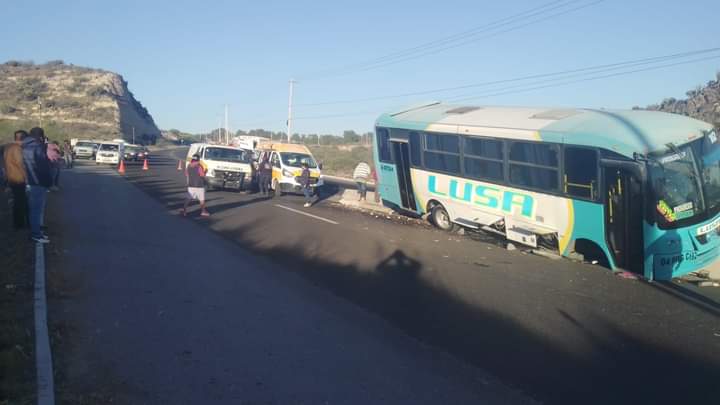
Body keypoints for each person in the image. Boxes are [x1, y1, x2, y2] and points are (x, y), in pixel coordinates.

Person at [22, 127, 53, 243]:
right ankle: (36, 235)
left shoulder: (25, 146)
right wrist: (49, 182)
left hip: (29, 180)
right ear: (40, 136)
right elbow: (42, 166)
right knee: (36, 210)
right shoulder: (38, 146)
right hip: (39, 181)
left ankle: (36, 233)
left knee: (33, 209)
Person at [3, 130, 29, 229]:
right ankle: (19, 224)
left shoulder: (8, 148)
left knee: (17, 202)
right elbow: (20, 164)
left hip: (11, 177)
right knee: (21, 202)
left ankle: (18, 223)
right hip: (19, 178)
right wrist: (26, 177)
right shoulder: (17, 148)